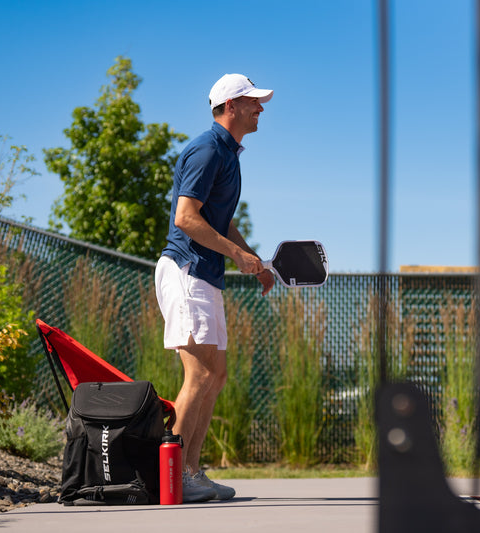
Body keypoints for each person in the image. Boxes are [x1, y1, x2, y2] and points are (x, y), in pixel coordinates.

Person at [154, 73, 275, 502]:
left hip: (205, 274)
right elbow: (186, 218)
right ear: (230, 105)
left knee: (216, 375)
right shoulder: (207, 149)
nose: (261, 108)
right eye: (253, 101)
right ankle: (171, 477)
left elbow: (219, 221)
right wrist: (237, 256)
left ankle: (190, 471)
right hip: (186, 271)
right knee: (200, 373)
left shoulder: (229, 154)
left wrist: (252, 259)